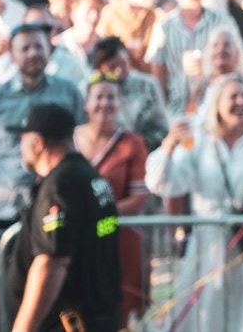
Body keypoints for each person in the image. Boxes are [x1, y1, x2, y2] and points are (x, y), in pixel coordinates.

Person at [144, 73, 243, 331]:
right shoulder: (198, 142)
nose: (241, 102)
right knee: (205, 313)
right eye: (233, 96)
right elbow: (165, 183)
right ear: (217, 104)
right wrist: (168, 146)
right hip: (208, 244)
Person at [0, 21, 87, 332]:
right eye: (25, 48)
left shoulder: (67, 92)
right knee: (1, 298)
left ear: (49, 51)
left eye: (38, 47)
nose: (32, 54)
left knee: (54, 293)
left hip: (57, 210)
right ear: (12, 54)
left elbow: (83, 147)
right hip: (4, 214)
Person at [4, 103, 122, 332]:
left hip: (70, 322)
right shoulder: (89, 175)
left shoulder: (60, 185)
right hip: (97, 316)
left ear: (38, 142)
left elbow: (52, 262)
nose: (21, 147)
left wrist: (23, 328)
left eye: (23, 139)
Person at [73, 74, 150, 325]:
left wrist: (99, 217)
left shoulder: (132, 144)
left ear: (120, 103)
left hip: (117, 233)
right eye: (98, 97)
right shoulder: (71, 141)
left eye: (111, 97)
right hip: (77, 236)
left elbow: (139, 197)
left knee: (120, 306)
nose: (104, 103)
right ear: (87, 103)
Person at [145, 0, 239, 116]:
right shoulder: (165, 26)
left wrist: (208, 66)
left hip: (214, 105)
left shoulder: (221, 21)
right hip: (177, 107)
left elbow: (237, 61)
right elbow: (158, 69)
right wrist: (162, 108)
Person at [89, 37, 170, 151]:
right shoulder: (89, 90)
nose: (119, 71)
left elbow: (162, 127)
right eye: (112, 67)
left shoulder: (148, 85)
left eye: (123, 64)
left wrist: (137, 145)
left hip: (146, 150)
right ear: (99, 68)